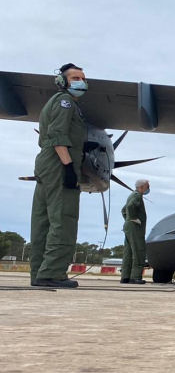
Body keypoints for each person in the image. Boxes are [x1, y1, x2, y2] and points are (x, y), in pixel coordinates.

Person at [30, 63, 88, 288]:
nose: (80, 82)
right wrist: (68, 166)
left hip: (45, 164)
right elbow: (57, 135)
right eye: (74, 78)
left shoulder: (54, 103)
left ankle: (39, 273)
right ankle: (53, 273)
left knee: (43, 221)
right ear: (62, 82)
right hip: (58, 163)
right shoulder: (66, 103)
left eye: (82, 78)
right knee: (63, 218)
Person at [121, 179, 149, 284]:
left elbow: (123, 210)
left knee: (128, 253)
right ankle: (135, 277)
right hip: (135, 228)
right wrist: (133, 219)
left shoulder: (131, 195)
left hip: (128, 227)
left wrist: (128, 220)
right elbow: (130, 207)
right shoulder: (137, 196)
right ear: (141, 187)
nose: (148, 188)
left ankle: (125, 277)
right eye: (147, 186)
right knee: (139, 251)